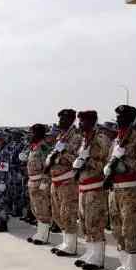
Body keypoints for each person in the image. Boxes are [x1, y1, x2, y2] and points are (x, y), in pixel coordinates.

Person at [103, 105, 136, 270]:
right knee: (116, 230)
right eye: (117, 116)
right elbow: (111, 161)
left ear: (131, 119)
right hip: (116, 189)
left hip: (131, 190)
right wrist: (109, 169)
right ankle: (124, 266)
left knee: (129, 231)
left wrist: (124, 159)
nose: (118, 119)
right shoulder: (117, 139)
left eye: (121, 116)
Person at [72, 110, 110, 270]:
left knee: (95, 221)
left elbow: (106, 163)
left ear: (92, 121)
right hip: (84, 187)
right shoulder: (84, 139)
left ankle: (98, 258)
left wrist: (88, 161)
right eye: (79, 122)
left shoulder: (100, 139)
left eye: (83, 121)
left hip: (95, 187)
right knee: (85, 223)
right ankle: (90, 253)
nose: (80, 124)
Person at [46, 109, 81, 257]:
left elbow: (75, 159)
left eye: (63, 119)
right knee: (58, 214)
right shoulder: (61, 136)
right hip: (56, 181)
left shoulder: (76, 137)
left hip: (67, 181)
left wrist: (59, 157)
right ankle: (66, 242)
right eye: (59, 119)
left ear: (71, 120)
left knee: (68, 213)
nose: (60, 122)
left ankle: (71, 246)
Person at [24, 124, 53, 245]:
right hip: (32, 181)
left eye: (31, 133)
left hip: (40, 182)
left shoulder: (44, 148)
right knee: (35, 209)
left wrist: (45, 183)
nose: (29, 135)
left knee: (42, 209)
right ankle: (39, 233)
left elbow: (48, 167)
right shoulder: (33, 147)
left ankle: (43, 236)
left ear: (38, 134)